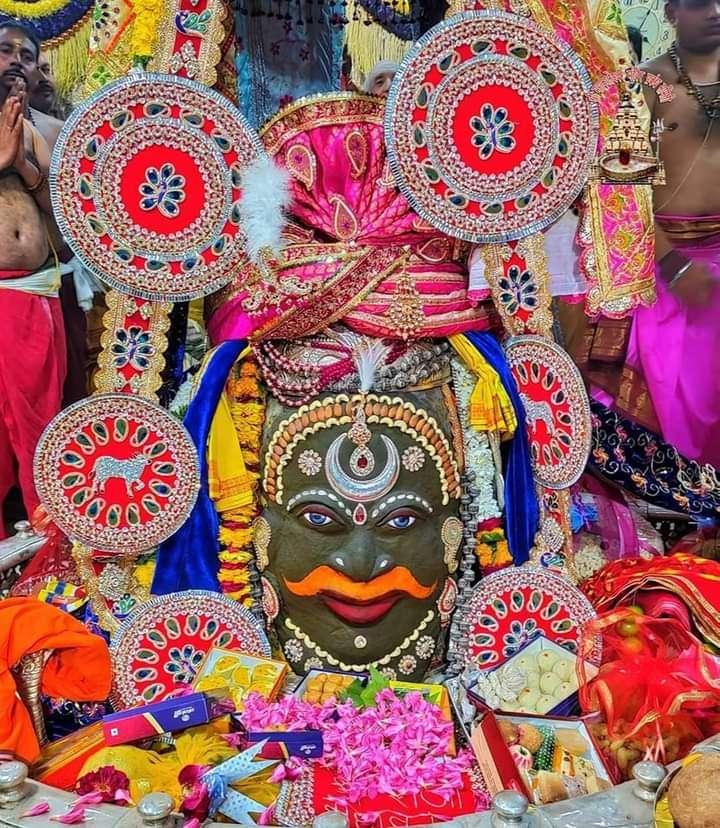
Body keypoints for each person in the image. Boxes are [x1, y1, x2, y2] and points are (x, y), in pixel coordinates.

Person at [599, 0, 720, 467]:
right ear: (671, 13)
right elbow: (619, 191)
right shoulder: (641, 87)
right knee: (671, 412)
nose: (714, 12)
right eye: (697, 3)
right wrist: (675, 265)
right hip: (666, 269)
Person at [0, 22, 66, 535]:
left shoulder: (41, 128)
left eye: (26, 54)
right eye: (5, 50)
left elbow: (59, 220)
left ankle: (47, 549)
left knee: (43, 427)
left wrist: (22, 166)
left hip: (36, 294)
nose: (17, 60)